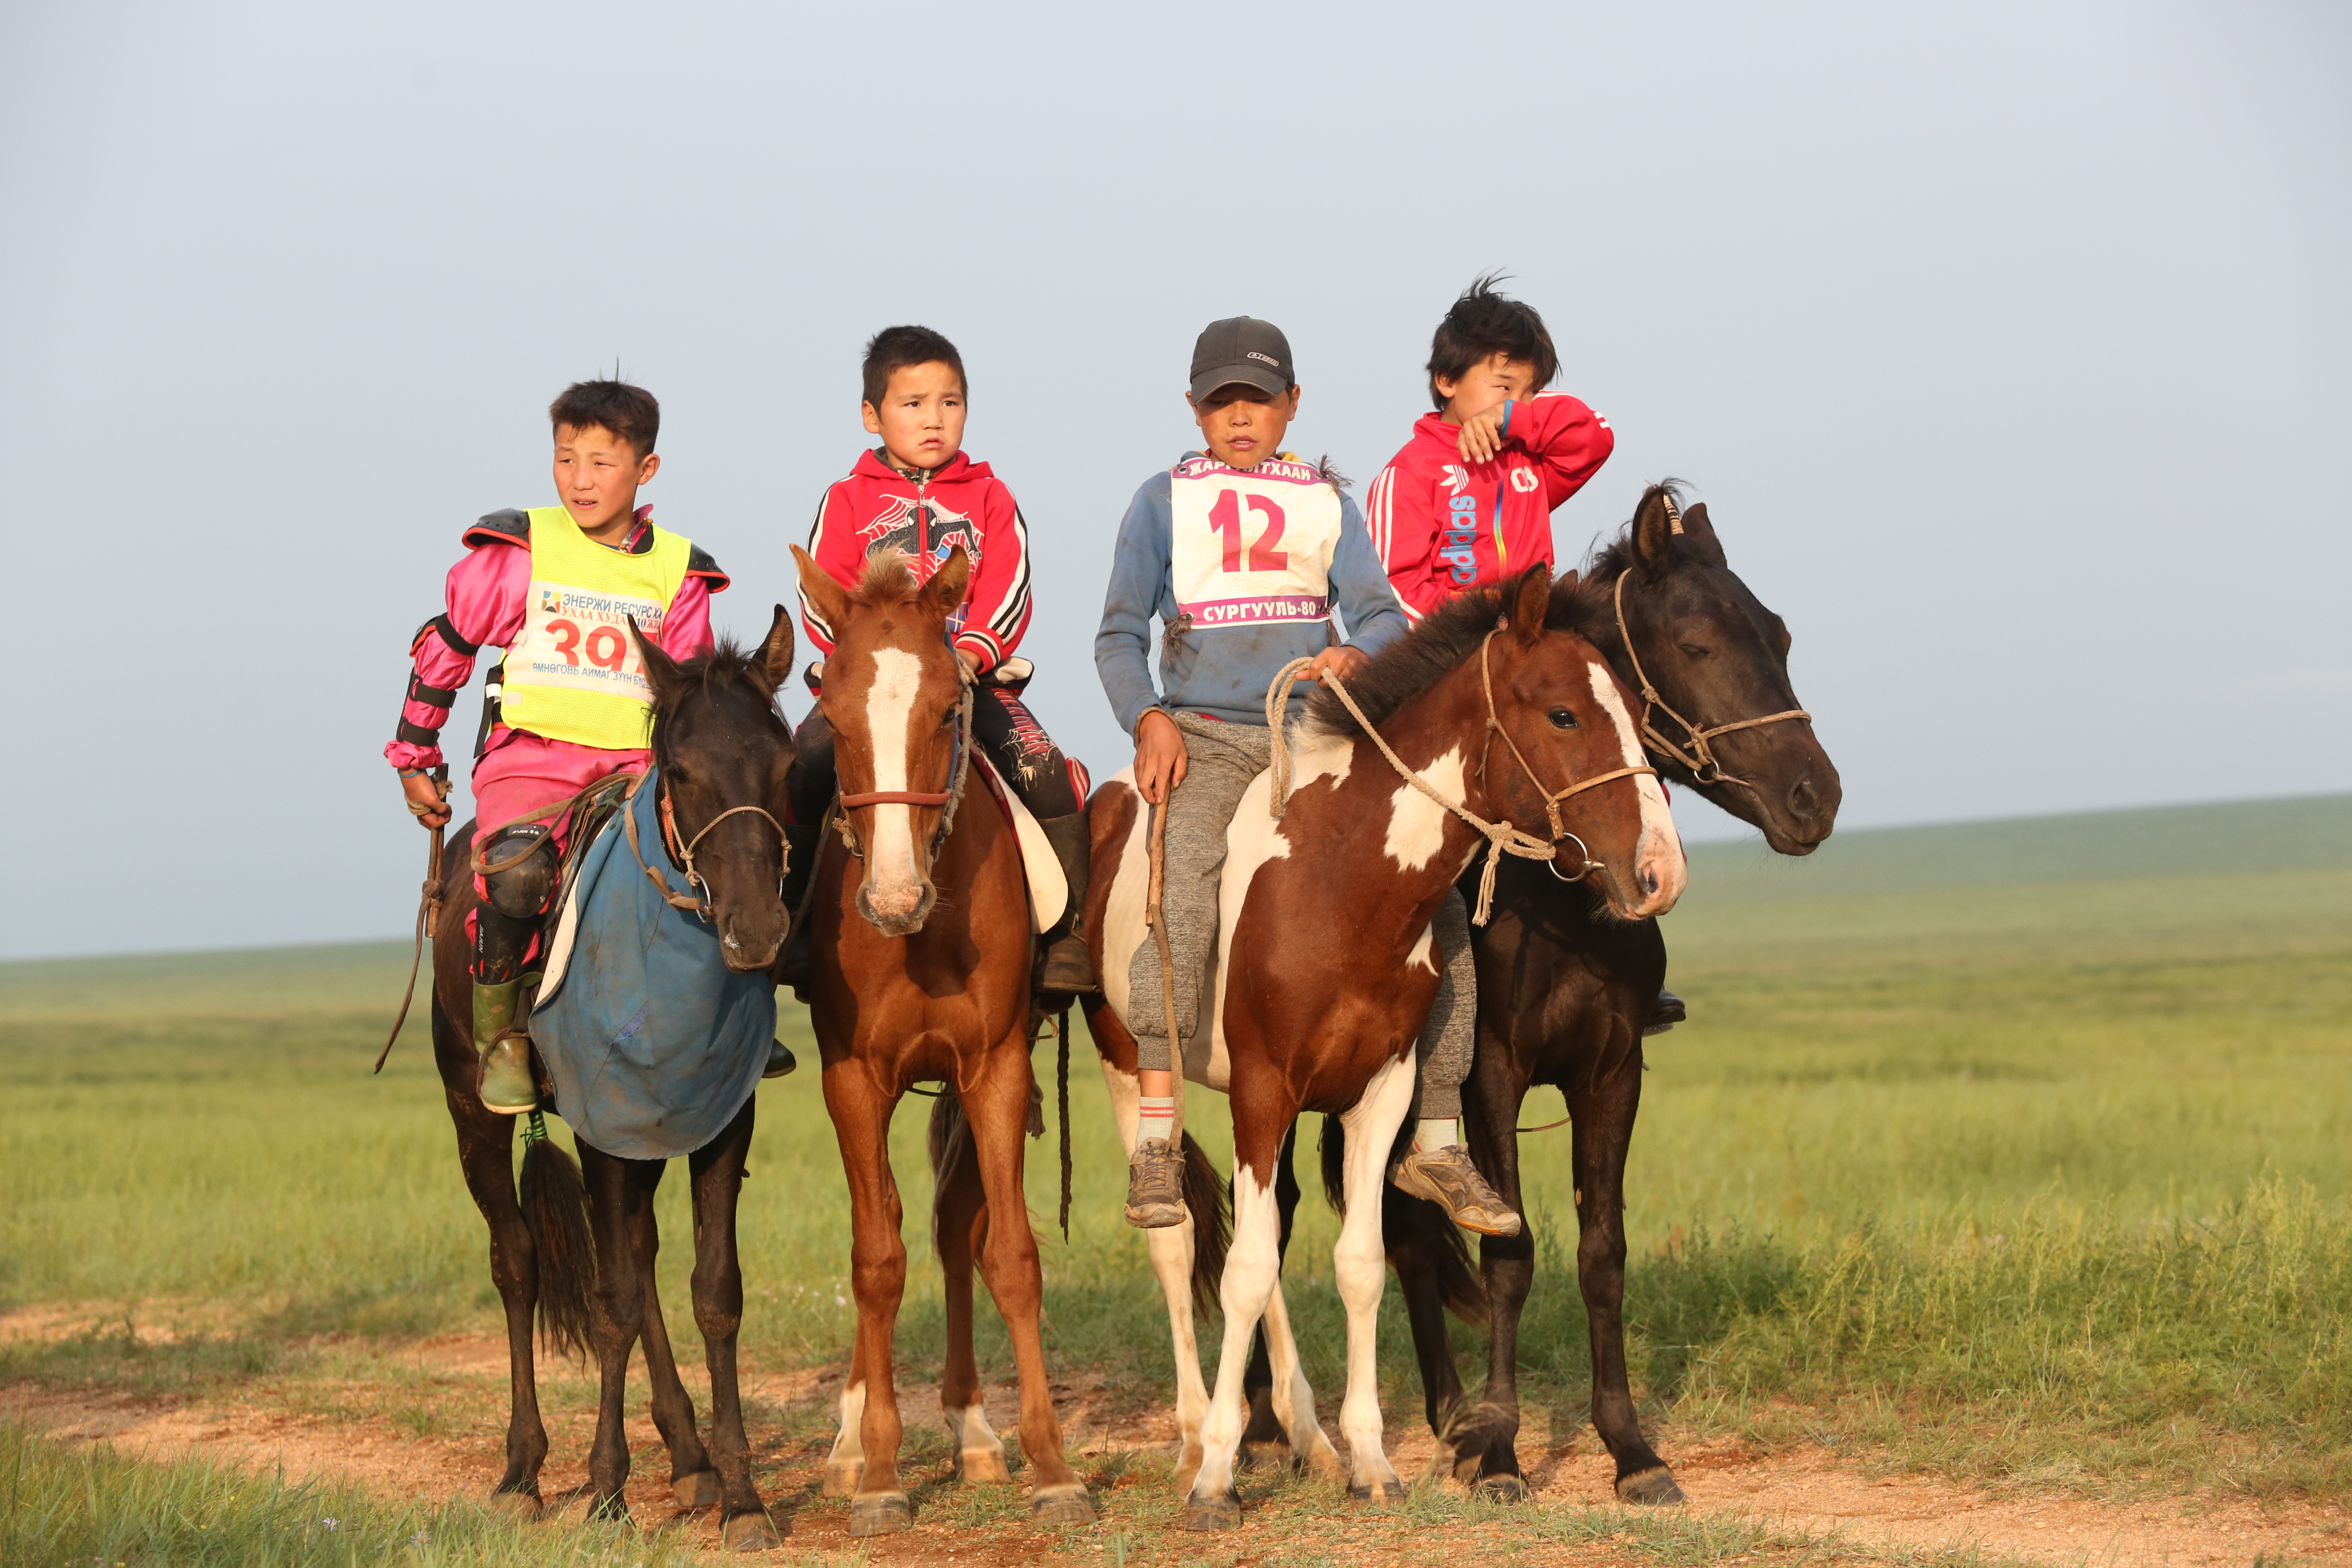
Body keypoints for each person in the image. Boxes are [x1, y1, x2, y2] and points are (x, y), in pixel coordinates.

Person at [1096, 316, 1520, 1237]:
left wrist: (1355, 660)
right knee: (1185, 892)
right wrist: (1150, 716)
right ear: (1194, 409)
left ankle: (1438, 1138)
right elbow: (1119, 634)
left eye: (1258, 399)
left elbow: (1376, 615)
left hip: (1323, 738)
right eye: (1221, 402)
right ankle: (1160, 1135)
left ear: (1292, 405)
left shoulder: (1328, 499)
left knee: (1431, 903)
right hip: (1208, 735)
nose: (1239, 417)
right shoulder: (1161, 500)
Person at [388, 379, 730, 1114]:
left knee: (724, 864)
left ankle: (736, 1016)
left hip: (638, 778)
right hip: (529, 768)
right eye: (566, 458)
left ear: (647, 470)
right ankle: (504, 1039)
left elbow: (692, 699)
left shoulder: (679, 570)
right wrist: (416, 756)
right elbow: (448, 647)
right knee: (514, 881)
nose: (580, 479)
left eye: (602, 463)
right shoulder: (518, 550)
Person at [1365, 274, 1684, 1035]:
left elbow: (1594, 435)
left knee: (1614, 746)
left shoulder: (1528, 463)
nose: (1518, 400)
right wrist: (1482, 648)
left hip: (1534, 660)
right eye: (1500, 383)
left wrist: (1515, 419)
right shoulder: (1407, 475)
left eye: (1530, 390)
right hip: (1455, 679)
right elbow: (1395, 590)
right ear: (1446, 380)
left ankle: (1627, 950)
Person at [784, 325, 1096, 994]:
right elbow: (823, 599)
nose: (934, 419)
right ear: (873, 415)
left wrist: (976, 652)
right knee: (801, 770)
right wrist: (858, 657)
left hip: (967, 682)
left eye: (950, 402)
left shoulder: (990, 497)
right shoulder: (847, 499)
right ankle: (794, 928)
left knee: (1047, 773)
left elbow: (1011, 586)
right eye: (913, 403)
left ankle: (1071, 942)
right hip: (872, 692)